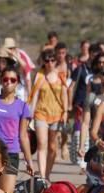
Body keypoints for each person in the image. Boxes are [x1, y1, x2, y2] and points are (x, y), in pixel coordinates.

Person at [0, 67, 34, 193]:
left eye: (13, 79)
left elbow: (23, 136)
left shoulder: (23, 107)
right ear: (0, 81)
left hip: (11, 154)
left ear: (17, 83)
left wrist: (29, 160)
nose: (8, 82)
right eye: (5, 79)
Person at [30, 49, 68, 180]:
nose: (50, 63)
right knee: (42, 144)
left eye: (52, 60)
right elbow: (34, 95)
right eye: (47, 60)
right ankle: (41, 175)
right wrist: (30, 114)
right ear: (44, 62)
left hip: (57, 114)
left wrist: (66, 112)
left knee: (53, 147)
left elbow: (64, 94)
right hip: (41, 113)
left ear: (56, 61)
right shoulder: (39, 76)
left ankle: (46, 175)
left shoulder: (61, 75)